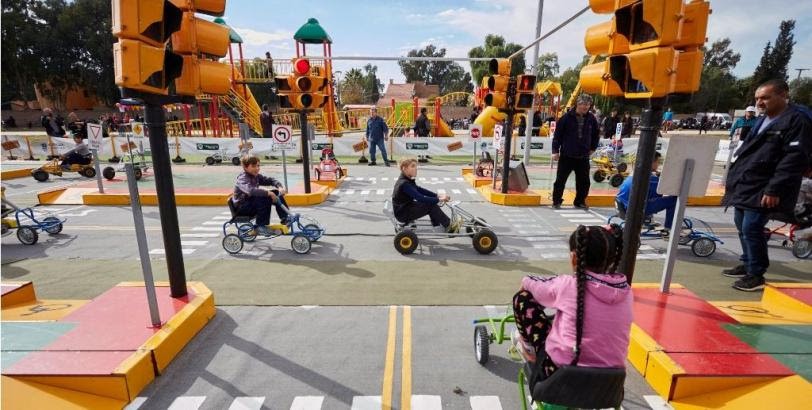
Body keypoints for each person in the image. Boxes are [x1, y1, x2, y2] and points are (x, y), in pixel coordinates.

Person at [722, 79, 812, 291]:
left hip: (766, 186)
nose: (760, 102)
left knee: (752, 227)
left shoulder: (796, 120)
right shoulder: (763, 120)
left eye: (765, 97)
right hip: (748, 182)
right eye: (757, 99)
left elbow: (793, 159)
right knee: (741, 223)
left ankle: (756, 274)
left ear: (783, 95)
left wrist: (774, 189)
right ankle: (747, 262)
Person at [511, 224, 632, 378]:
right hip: (611, 380)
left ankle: (529, 351)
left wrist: (527, 282)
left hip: (561, 374)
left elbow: (529, 283)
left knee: (522, 299)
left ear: (574, 257)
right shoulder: (626, 291)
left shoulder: (567, 285)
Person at [551, 94, 600, 210]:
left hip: (583, 156)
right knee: (560, 180)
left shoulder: (591, 119)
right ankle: (556, 201)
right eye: (583, 104)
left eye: (587, 104)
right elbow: (557, 136)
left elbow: (596, 135)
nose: (585, 107)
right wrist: (555, 151)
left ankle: (580, 201)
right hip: (567, 155)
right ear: (577, 104)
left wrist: (593, 147)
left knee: (584, 182)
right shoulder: (566, 118)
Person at [392, 158, 461, 233]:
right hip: (403, 214)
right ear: (404, 168)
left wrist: (437, 196)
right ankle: (450, 227)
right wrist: (439, 199)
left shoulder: (406, 180)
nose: (416, 169)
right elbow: (420, 198)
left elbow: (420, 190)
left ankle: (437, 225)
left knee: (431, 203)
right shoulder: (404, 183)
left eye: (416, 166)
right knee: (431, 205)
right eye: (412, 166)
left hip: (404, 209)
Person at [616, 152, 677, 231]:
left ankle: (647, 220)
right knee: (673, 200)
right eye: (657, 162)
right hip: (634, 210)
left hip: (623, 206)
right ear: (651, 162)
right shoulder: (650, 178)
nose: (658, 165)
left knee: (650, 196)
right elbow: (661, 191)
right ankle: (669, 228)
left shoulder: (635, 173)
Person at [232, 155, 291, 236]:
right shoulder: (243, 178)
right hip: (242, 207)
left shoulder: (255, 176)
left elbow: (270, 180)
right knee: (264, 197)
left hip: (250, 203)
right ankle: (261, 226)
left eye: (258, 166)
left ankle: (285, 218)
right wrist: (268, 193)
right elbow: (250, 190)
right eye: (253, 166)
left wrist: (279, 187)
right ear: (245, 167)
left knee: (276, 193)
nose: (257, 168)